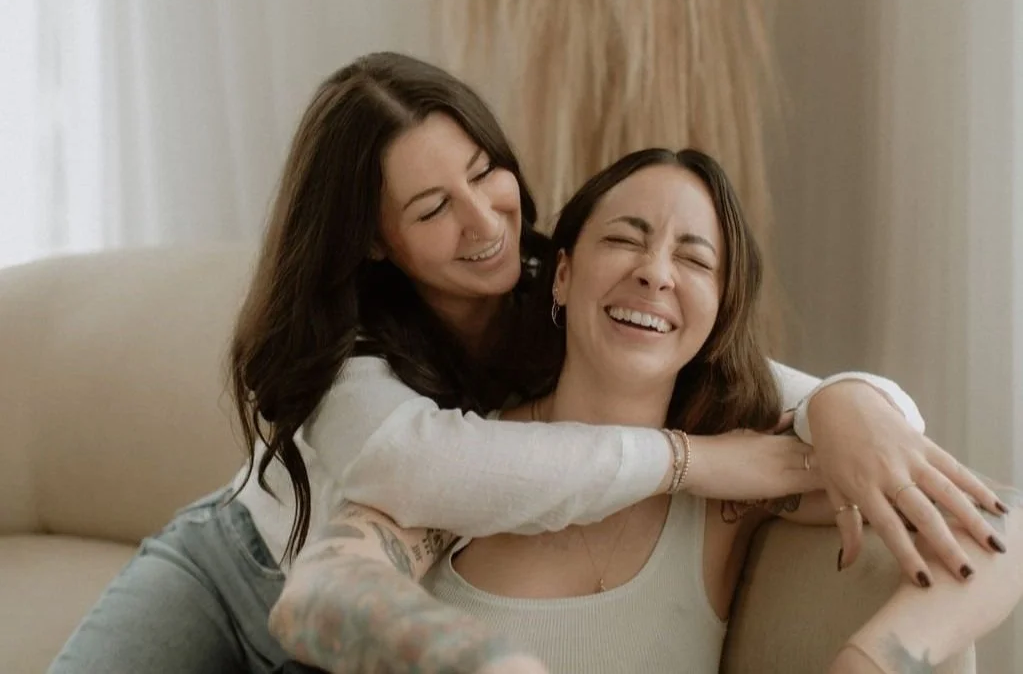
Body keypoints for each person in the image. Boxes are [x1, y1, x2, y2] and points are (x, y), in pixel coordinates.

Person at [49, 53, 1004, 674]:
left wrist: (853, 407)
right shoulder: (371, 386)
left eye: (483, 173)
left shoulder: (601, 314)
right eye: (429, 210)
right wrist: (688, 459)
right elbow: (360, 547)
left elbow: (989, 521)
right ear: (372, 242)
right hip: (236, 559)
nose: (482, 222)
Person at [270, 149, 1023, 674]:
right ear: (561, 275)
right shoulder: (468, 467)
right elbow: (316, 595)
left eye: (693, 259)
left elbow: (999, 521)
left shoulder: (732, 490)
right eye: (624, 239)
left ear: (716, 310)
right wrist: (473, 657)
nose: (654, 272)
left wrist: (871, 657)